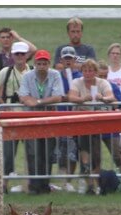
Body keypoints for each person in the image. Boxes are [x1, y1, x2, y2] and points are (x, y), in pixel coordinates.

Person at [18, 49, 64, 194]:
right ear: (34, 63)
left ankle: (45, 184)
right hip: (31, 120)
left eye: (44, 63)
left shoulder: (55, 75)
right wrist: (33, 101)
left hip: (49, 120)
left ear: (49, 64)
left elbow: (58, 97)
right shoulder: (27, 76)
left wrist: (37, 102)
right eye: (39, 63)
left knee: (48, 152)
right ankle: (34, 185)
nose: (42, 66)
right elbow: (23, 97)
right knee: (32, 152)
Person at [67, 58, 116, 195]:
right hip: (81, 123)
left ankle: (95, 183)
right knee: (84, 151)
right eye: (85, 70)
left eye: (91, 70)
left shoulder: (102, 82)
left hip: (97, 123)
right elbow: (71, 97)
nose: (88, 73)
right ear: (82, 71)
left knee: (96, 155)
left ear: (95, 72)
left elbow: (111, 97)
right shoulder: (77, 82)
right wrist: (82, 99)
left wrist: (102, 98)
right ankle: (89, 184)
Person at [0, 41, 31, 178]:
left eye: (22, 54)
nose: (19, 56)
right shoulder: (5, 71)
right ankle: (5, 182)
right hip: (10, 116)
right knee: (8, 152)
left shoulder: (32, 71)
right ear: (12, 55)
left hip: (28, 116)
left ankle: (29, 183)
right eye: (17, 54)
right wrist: (2, 103)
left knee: (31, 152)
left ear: (26, 55)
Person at [56, 46, 83, 188]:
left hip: (76, 118)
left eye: (70, 59)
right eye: (65, 58)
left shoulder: (80, 76)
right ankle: (62, 181)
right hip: (60, 117)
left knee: (74, 151)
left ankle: (69, 180)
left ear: (74, 60)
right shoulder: (57, 76)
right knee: (61, 151)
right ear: (61, 60)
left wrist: (69, 97)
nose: (68, 61)